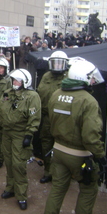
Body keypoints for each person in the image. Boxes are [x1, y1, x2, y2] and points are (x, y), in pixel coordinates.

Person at [43, 59, 107, 214]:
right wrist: (100, 155)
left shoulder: (56, 94)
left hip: (58, 151)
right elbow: (90, 136)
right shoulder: (88, 101)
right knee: (88, 191)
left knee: (57, 190)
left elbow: (52, 120)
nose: (93, 81)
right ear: (83, 77)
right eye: (91, 78)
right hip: (80, 155)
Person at [0, 69, 41, 210]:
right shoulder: (7, 94)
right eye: (13, 80)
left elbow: (35, 118)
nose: (15, 83)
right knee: (8, 161)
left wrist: (29, 135)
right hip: (6, 133)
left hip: (20, 134)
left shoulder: (32, 96)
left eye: (18, 80)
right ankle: (10, 188)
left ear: (25, 81)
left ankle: (21, 195)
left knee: (18, 164)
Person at [36, 51, 68, 184]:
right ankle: (48, 171)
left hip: (62, 118)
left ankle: (62, 174)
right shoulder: (46, 76)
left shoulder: (68, 77)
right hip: (47, 116)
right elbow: (40, 92)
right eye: (55, 63)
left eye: (60, 63)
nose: (57, 66)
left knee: (62, 145)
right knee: (46, 143)